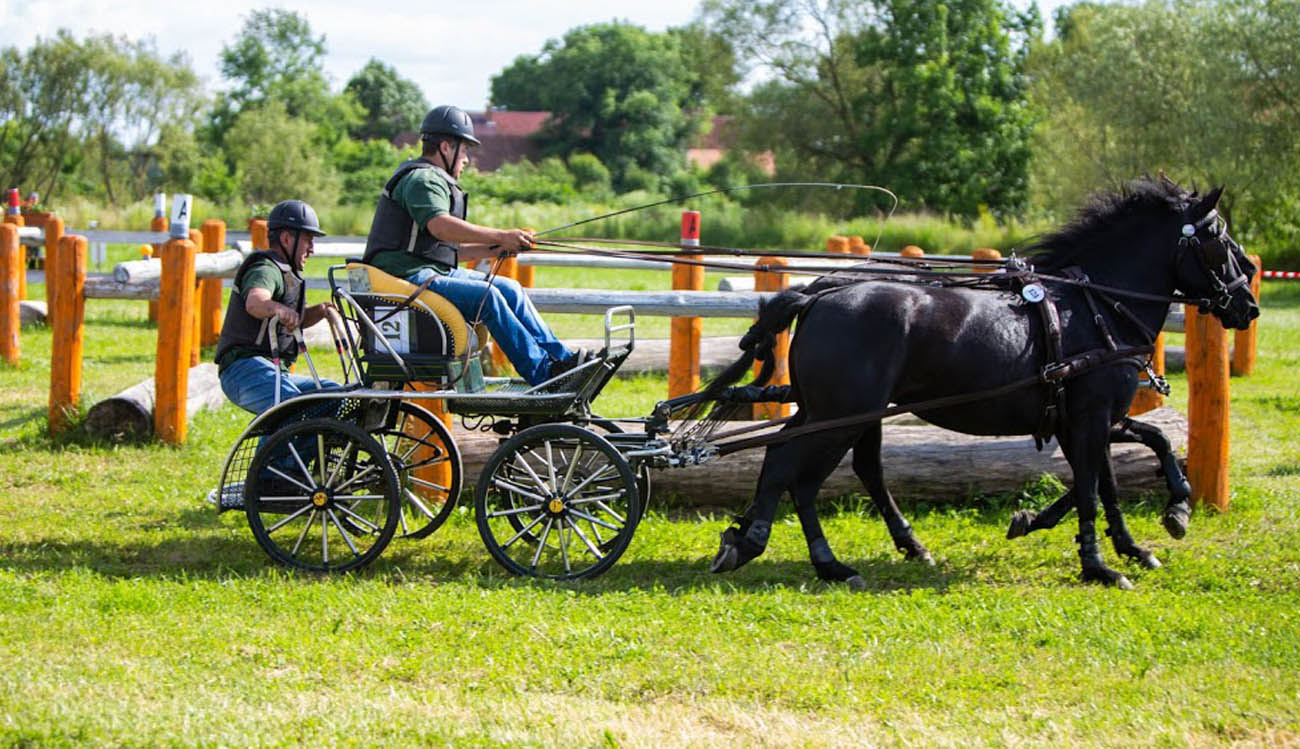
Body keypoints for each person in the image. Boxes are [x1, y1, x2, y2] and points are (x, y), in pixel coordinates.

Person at [362, 104, 588, 385]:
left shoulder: (432, 180)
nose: (467, 159)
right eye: (465, 150)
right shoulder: (424, 179)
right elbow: (440, 226)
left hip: (428, 272)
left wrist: (499, 249)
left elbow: (443, 250)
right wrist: (499, 236)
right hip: (405, 278)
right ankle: (543, 374)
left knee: (510, 288)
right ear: (446, 147)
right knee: (488, 296)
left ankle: (562, 360)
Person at [214, 199, 340, 415]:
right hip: (242, 370)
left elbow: (294, 321)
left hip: (270, 371)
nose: (312, 249)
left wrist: (320, 311)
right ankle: (275, 449)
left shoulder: (287, 273)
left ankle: (299, 447)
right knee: (293, 409)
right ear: (286, 238)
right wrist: (279, 310)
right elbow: (255, 302)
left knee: (334, 395)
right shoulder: (265, 269)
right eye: (308, 240)